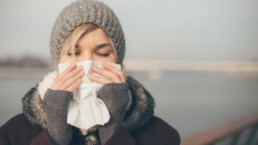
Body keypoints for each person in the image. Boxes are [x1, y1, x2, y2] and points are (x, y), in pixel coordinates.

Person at [0, 0, 180, 145]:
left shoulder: (161, 135)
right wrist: (54, 132)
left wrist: (113, 129)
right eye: (73, 53)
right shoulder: (14, 134)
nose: (87, 64)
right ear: (58, 61)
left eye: (102, 53)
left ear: (118, 60)